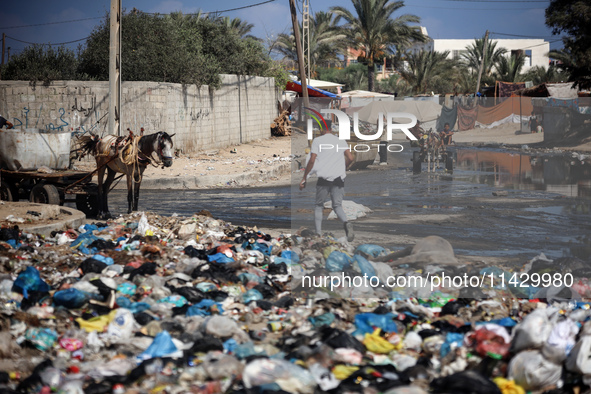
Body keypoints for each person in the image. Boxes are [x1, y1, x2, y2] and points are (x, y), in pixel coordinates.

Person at [300, 127, 355, 241]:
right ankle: (346, 223)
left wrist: (305, 177)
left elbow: (312, 160)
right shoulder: (340, 140)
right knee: (337, 206)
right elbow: (350, 157)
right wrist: (343, 167)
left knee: (319, 205)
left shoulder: (318, 141)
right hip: (339, 178)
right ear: (331, 129)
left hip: (324, 179)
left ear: (322, 129)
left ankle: (318, 233)